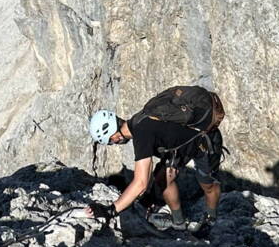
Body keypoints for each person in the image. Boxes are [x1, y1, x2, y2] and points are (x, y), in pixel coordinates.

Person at [86, 86, 224, 236]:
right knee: (161, 178)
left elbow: (141, 183)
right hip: (180, 147)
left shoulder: (141, 133)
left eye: (111, 142)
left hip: (204, 140)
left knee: (208, 185)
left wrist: (111, 210)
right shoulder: (139, 121)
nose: (114, 143)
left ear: (114, 137)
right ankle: (179, 223)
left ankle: (210, 221)